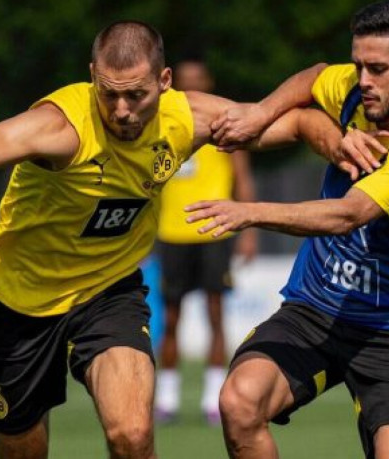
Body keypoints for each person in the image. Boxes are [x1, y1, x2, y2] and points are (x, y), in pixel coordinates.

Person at [0, 21, 354, 459]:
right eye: (109, 93)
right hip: (19, 302)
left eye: (136, 95)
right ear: (92, 78)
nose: (122, 111)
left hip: (108, 293)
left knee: (131, 433)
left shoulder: (188, 116)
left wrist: (340, 144)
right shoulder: (59, 127)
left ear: (165, 82)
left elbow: (293, 119)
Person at [195, 1, 389, 458]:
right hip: (314, 310)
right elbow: (317, 74)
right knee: (239, 401)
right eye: (359, 65)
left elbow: (348, 215)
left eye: (378, 69)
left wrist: (249, 212)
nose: (363, 80)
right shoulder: (359, 92)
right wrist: (261, 112)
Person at [154, 58, 258, 425]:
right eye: (185, 82)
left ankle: (214, 399)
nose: (192, 87)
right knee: (170, 318)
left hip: (215, 231)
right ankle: (166, 398)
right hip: (171, 232)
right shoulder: (160, 124)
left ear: (209, 82)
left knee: (216, 315)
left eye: (198, 81)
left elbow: (242, 179)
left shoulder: (228, 126)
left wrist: (249, 232)